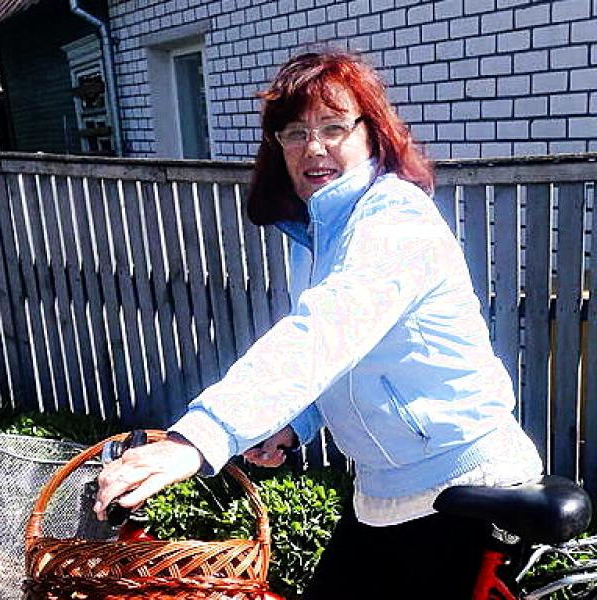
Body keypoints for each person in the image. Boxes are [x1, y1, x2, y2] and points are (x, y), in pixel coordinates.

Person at [95, 49, 542, 598]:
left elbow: (328, 330)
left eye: (333, 127)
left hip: (460, 479)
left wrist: (198, 438)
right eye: (295, 133)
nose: (313, 147)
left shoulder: (395, 217)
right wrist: (295, 423)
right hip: (385, 487)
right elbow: (346, 358)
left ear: (372, 134)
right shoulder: (316, 235)